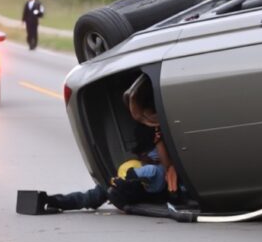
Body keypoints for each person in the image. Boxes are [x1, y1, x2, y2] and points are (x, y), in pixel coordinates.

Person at [44, 76, 180, 212]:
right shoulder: (146, 138)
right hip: (140, 182)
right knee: (96, 195)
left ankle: (56, 201)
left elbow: (166, 167)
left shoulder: (156, 168)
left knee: (149, 173)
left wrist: (158, 141)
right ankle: (56, 201)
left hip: (154, 183)